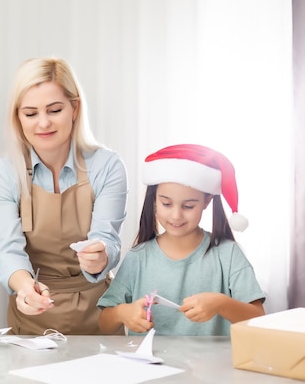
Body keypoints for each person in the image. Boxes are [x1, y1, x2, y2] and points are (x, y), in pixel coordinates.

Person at [0, 57, 128, 335]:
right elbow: (7, 248)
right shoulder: (4, 171)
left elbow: (108, 239)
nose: (43, 123)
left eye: (54, 110)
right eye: (30, 113)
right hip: (33, 316)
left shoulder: (108, 166)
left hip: (99, 314)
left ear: (74, 108)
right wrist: (25, 288)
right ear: (17, 117)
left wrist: (100, 257)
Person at [98, 144, 266, 336]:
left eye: (188, 206)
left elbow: (259, 319)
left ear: (207, 201)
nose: (176, 215)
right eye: (166, 204)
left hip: (211, 365)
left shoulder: (228, 254)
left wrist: (222, 304)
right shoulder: (138, 258)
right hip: (151, 365)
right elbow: (104, 323)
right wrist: (121, 313)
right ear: (154, 200)